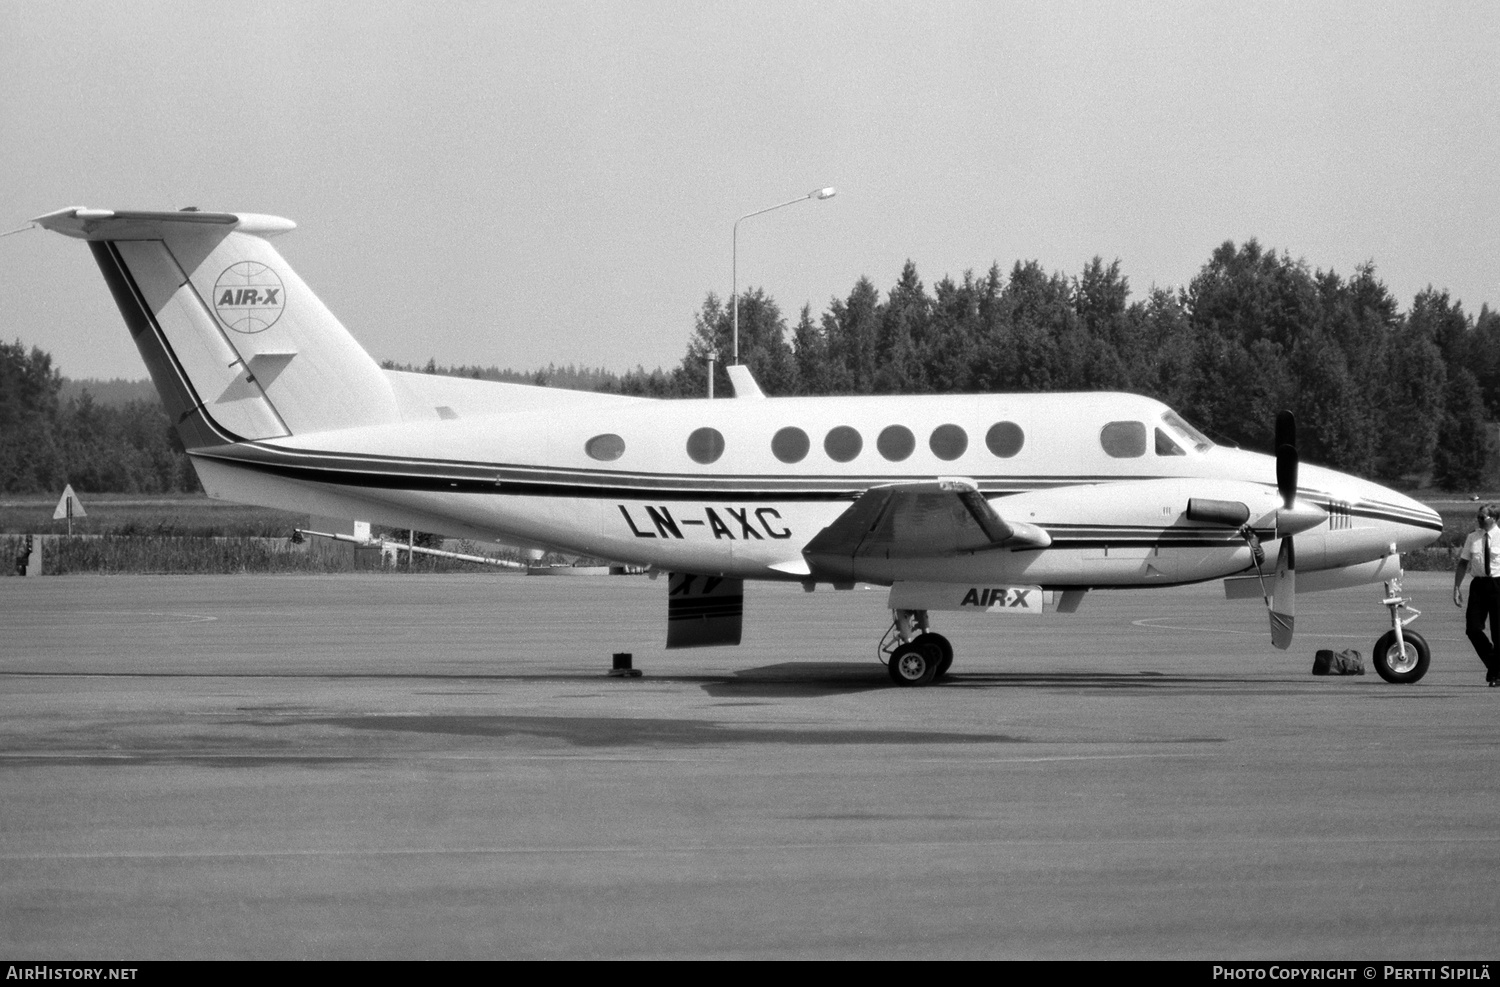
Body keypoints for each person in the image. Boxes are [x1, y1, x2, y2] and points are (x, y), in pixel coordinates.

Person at [1453, 503, 1500, 686]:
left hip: (1498, 583)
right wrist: (1457, 587)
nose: (1479, 520)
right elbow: (1463, 563)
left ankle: (1496, 674)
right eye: (1478, 517)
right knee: (1472, 629)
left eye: (1483, 517)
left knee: (1498, 634)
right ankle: (1494, 666)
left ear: (1494, 518)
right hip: (1479, 585)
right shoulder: (1472, 537)